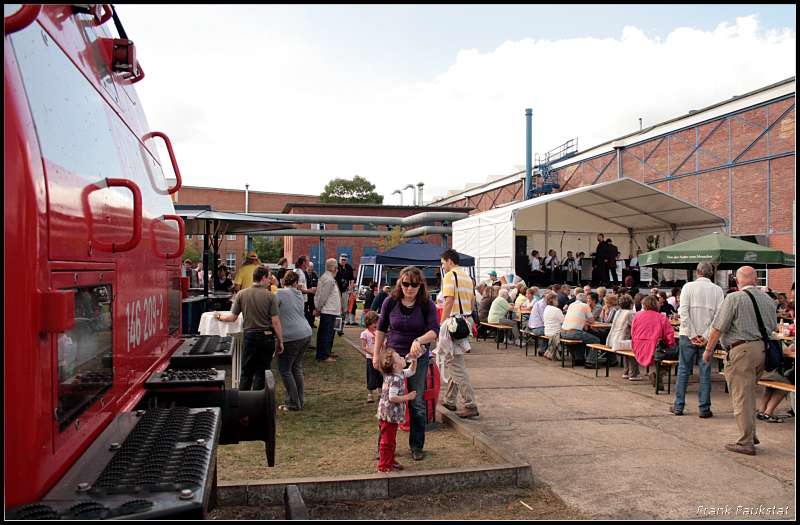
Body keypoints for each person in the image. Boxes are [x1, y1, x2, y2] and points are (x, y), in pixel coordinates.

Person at [703, 266, 778, 456]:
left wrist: (708, 349)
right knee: (749, 392)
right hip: (763, 350)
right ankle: (750, 433)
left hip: (741, 350)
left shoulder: (734, 298)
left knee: (741, 396)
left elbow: (718, 327)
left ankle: (745, 441)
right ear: (755, 279)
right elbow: (773, 328)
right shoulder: (768, 299)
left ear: (737, 280)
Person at [372, 266, 440, 461]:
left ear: (420, 286)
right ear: (400, 284)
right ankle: (383, 445)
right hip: (393, 357)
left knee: (416, 403)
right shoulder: (390, 302)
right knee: (387, 400)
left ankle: (417, 445)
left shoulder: (427, 304)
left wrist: (418, 340)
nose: (409, 288)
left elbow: (435, 330)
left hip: (417, 358)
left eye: (414, 284)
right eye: (406, 284)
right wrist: (376, 354)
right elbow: (381, 328)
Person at [214, 266, 283, 391]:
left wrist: (219, 316)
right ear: (263, 278)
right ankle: (257, 403)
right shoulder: (270, 296)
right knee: (261, 373)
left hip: (249, 336)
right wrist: (281, 340)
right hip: (266, 337)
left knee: (246, 372)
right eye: (268, 278)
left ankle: (242, 402)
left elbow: (232, 317)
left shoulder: (241, 294)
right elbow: (276, 321)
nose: (270, 281)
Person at [671, 263, 725, 417]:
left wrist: (692, 334)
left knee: (683, 370)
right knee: (705, 373)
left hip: (688, 334)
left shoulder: (688, 287)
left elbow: (683, 312)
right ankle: (704, 408)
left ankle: (679, 405)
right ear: (712, 273)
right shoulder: (717, 290)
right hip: (706, 335)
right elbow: (718, 317)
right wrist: (706, 335)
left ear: (697, 272)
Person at [438, 249, 479, 419]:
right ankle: (450, 400)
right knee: (456, 360)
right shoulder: (467, 277)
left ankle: (470, 404)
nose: (442, 266)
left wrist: (441, 325)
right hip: (466, 320)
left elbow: (448, 302)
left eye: (442, 263)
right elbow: (471, 302)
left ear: (449, 261)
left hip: (454, 321)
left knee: (455, 365)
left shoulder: (449, 277)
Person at [275, 270, 312, 411]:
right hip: (305, 333)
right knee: (296, 367)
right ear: (296, 283)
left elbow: (272, 311)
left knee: (284, 369)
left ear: (283, 281)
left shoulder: (279, 294)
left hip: (291, 336)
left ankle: (292, 403)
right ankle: (299, 400)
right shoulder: (298, 294)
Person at [376, 349, 418, 472]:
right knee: (387, 442)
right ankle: (384, 466)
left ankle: (390, 460)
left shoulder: (400, 374)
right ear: (395, 366)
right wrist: (407, 397)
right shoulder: (394, 380)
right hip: (388, 415)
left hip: (392, 415)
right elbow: (392, 397)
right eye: (400, 358)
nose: (402, 358)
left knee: (391, 440)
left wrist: (414, 360)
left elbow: (411, 371)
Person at [631, 295, 676, 391]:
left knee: (658, 351)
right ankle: (658, 375)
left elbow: (633, 331)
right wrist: (671, 344)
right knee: (674, 355)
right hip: (654, 347)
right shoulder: (661, 318)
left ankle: (658, 378)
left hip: (638, 345)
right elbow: (669, 335)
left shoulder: (637, 315)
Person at [756, 342, 795, 423]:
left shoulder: (757, 335)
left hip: (756, 370)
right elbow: (787, 352)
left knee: (773, 383)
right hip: (765, 371)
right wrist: (789, 347)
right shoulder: (772, 336)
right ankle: (769, 412)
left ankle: (761, 410)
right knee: (786, 383)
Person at [560, 292, 600, 368]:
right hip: (574, 333)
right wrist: (586, 320)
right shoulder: (585, 306)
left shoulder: (571, 305)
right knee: (596, 340)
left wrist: (584, 321)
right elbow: (592, 321)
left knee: (582, 338)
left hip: (563, 332)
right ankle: (590, 362)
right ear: (585, 301)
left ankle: (579, 359)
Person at [313, 258, 341, 363]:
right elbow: (323, 296)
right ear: (334, 268)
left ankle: (326, 351)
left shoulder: (324, 278)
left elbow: (318, 294)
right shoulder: (329, 280)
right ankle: (323, 355)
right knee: (326, 333)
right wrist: (318, 308)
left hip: (330, 310)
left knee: (327, 333)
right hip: (329, 310)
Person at [607, 294, 640, 380]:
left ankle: (626, 372)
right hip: (620, 342)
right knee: (634, 348)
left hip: (611, 340)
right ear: (631, 304)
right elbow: (636, 326)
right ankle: (633, 374)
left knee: (628, 348)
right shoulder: (630, 313)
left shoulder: (618, 311)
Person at [361, 311, 383, 403]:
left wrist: (381, 354)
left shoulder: (379, 332)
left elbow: (383, 344)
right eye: (374, 323)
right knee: (371, 375)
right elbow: (364, 346)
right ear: (368, 323)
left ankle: (380, 392)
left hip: (380, 358)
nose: (376, 325)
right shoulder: (365, 333)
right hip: (370, 358)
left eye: (377, 322)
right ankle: (370, 394)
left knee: (380, 375)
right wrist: (374, 353)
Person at [527, 291, 553, 355]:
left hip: (536, 327)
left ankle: (543, 350)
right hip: (537, 328)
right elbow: (544, 318)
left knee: (548, 332)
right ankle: (549, 351)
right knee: (553, 333)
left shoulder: (541, 303)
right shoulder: (542, 305)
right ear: (546, 298)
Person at [336, 253, 356, 325]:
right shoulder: (337, 267)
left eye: (344, 260)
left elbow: (352, 278)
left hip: (345, 289)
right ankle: (338, 319)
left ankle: (346, 320)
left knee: (345, 305)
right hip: (337, 290)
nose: (343, 261)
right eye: (342, 260)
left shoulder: (349, 267)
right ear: (339, 259)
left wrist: (351, 285)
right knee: (338, 305)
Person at [305, 262, 319, 328]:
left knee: (312, 308)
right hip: (306, 294)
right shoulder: (304, 274)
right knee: (306, 308)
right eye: (309, 267)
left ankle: (312, 322)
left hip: (313, 295)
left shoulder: (314, 274)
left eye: (311, 267)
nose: (310, 269)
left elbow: (317, 283)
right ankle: (307, 322)